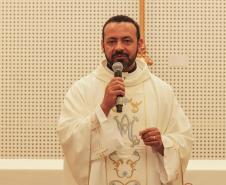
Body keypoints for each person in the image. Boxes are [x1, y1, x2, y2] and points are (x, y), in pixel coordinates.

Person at [57, 15, 193, 185]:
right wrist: (103, 108)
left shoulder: (162, 91)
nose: (119, 47)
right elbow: (69, 139)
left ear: (140, 44)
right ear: (102, 45)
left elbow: (184, 139)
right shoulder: (81, 90)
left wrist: (162, 144)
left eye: (127, 41)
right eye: (112, 41)